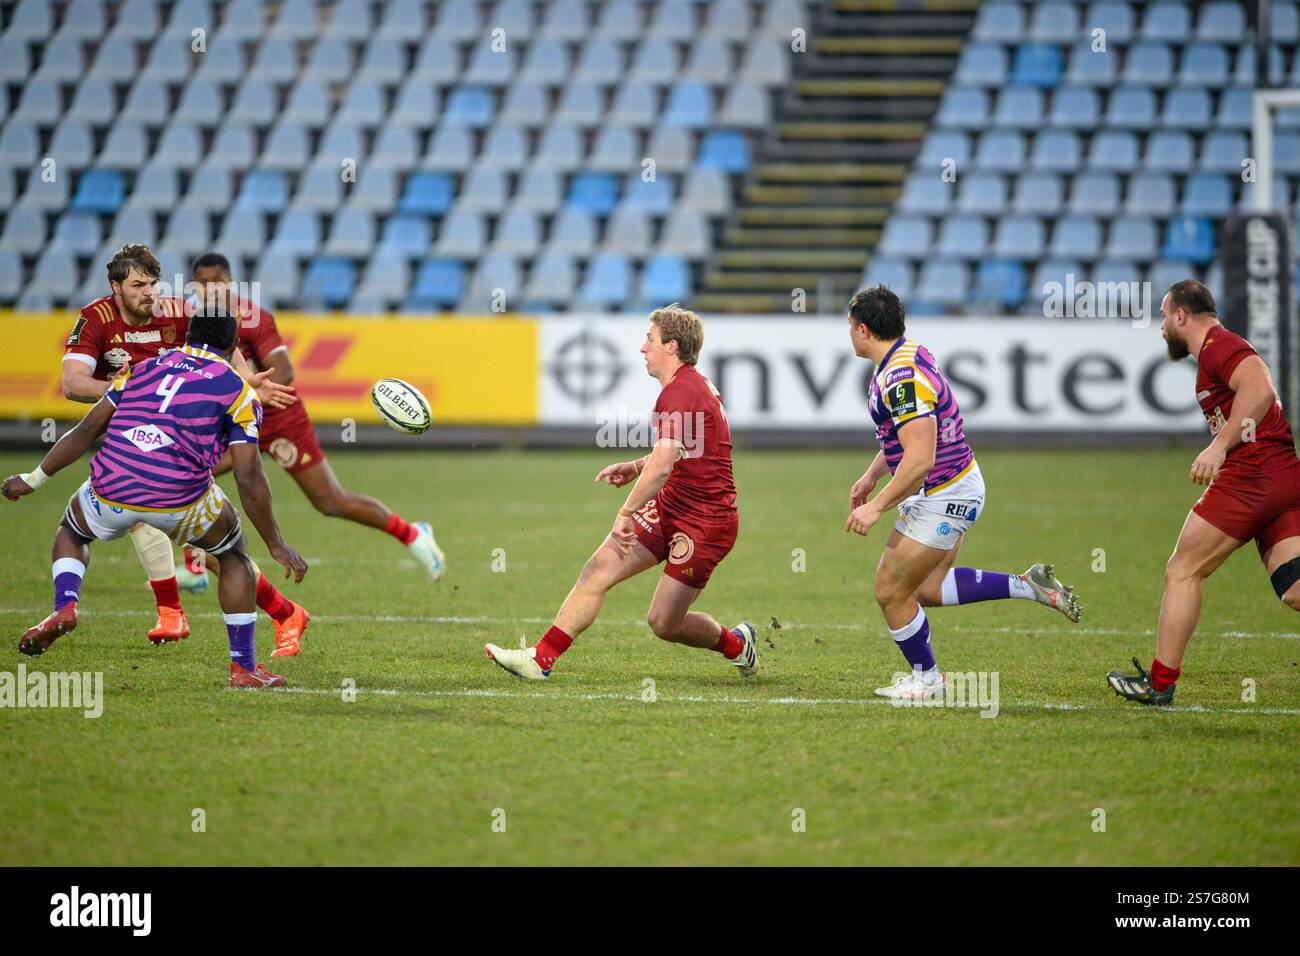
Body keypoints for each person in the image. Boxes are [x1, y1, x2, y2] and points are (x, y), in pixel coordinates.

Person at [4, 308, 308, 688]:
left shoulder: (142, 369)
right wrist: (276, 543)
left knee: (72, 531)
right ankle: (243, 668)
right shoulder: (238, 391)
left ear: (186, 337)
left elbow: (85, 431)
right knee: (233, 557)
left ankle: (65, 606)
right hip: (179, 497)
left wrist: (33, 479)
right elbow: (248, 474)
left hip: (112, 485)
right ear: (232, 346)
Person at [175, 254, 444, 645]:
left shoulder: (255, 318)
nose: (210, 288)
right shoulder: (196, 323)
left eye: (217, 280)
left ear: (231, 281)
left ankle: (413, 534)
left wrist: (244, 393)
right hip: (236, 420)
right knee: (183, 475)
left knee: (329, 501)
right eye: (202, 282)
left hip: (279, 416)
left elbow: (283, 372)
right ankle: (193, 565)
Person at [485, 304, 757, 679]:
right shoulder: (686, 387)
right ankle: (540, 659)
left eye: (650, 339)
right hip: (672, 504)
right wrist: (634, 467)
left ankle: (737, 645)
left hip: (706, 523)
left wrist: (625, 513)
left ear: (672, 347)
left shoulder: (680, 393)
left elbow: (664, 465)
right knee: (597, 570)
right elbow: (678, 452)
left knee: (663, 622)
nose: (643, 348)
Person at [843, 286, 1081, 700]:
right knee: (926, 589)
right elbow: (900, 440)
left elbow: (919, 460)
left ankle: (929, 680)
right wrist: (871, 477)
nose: (849, 333)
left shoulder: (901, 378)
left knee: (889, 590)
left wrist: (877, 507)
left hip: (943, 491)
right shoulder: (905, 356)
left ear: (863, 329)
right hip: (955, 484)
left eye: (850, 326)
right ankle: (1027, 585)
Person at [60, 243, 297, 646]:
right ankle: (276, 613)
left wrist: (242, 378)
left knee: (202, 541)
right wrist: (125, 389)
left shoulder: (176, 311)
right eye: (139, 284)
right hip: (129, 439)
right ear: (115, 287)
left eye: (153, 283)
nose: (150, 292)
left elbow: (220, 336)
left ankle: (190, 614)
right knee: (187, 536)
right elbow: (72, 383)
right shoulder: (95, 319)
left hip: (178, 442)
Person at [1107, 280, 1300, 705]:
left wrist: (1218, 446)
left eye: (1163, 316)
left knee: (1183, 569)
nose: (1161, 326)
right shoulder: (1220, 348)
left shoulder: (1218, 345)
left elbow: (1261, 389)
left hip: (1253, 478)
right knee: (1294, 589)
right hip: (1283, 475)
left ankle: (1159, 684)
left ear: (1181, 316)